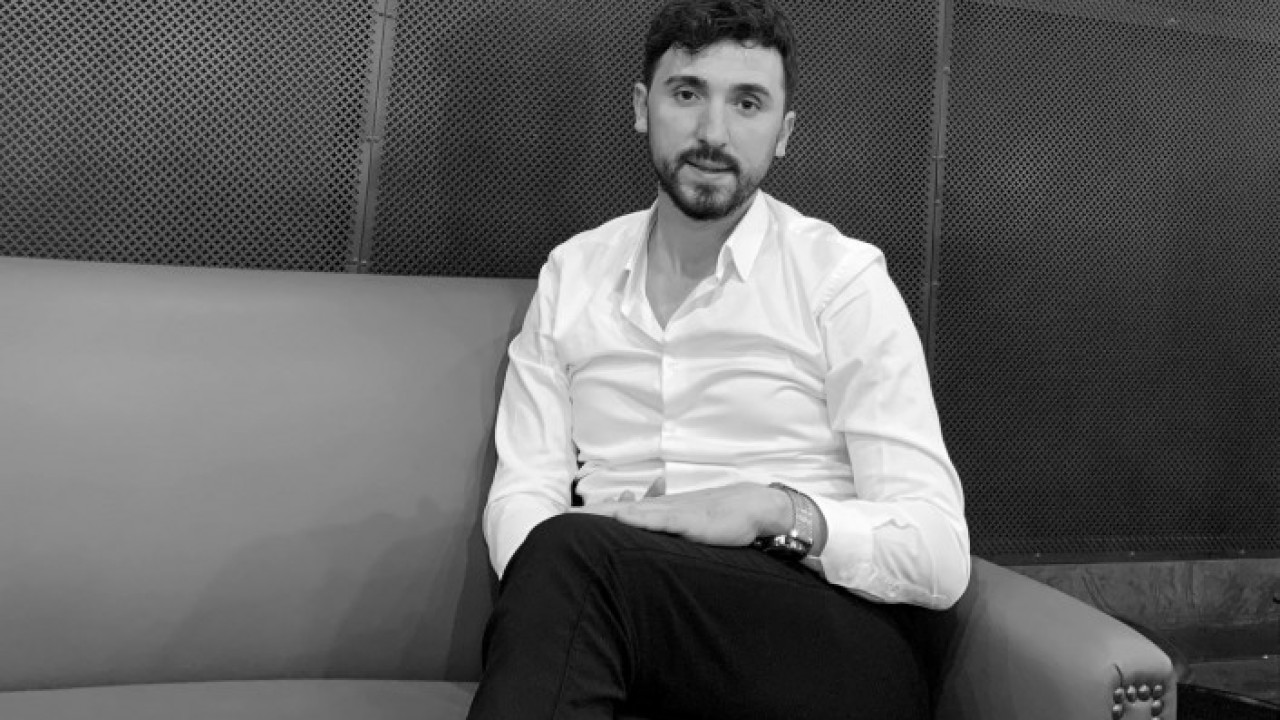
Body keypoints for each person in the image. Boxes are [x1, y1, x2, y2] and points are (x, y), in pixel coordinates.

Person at [467, 0, 969, 717]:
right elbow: (525, 489)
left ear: (784, 131)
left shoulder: (840, 281)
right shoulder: (573, 273)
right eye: (686, 94)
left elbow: (940, 552)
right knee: (557, 547)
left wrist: (770, 511)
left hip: (818, 628)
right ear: (641, 108)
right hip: (621, 609)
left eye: (748, 103)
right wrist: (573, 578)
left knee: (569, 552)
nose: (713, 132)